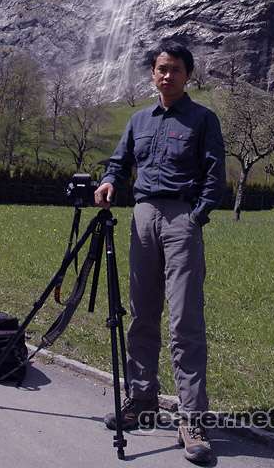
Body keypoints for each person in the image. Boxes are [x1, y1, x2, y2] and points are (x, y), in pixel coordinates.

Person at [94, 40, 225, 465]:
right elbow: (118, 162)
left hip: (181, 219)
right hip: (142, 217)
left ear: (188, 75)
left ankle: (192, 419)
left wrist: (197, 216)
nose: (166, 75)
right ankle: (143, 399)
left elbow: (214, 175)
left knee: (185, 318)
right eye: (160, 69)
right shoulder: (138, 120)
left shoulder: (203, 119)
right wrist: (110, 180)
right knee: (141, 314)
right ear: (153, 74)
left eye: (175, 69)